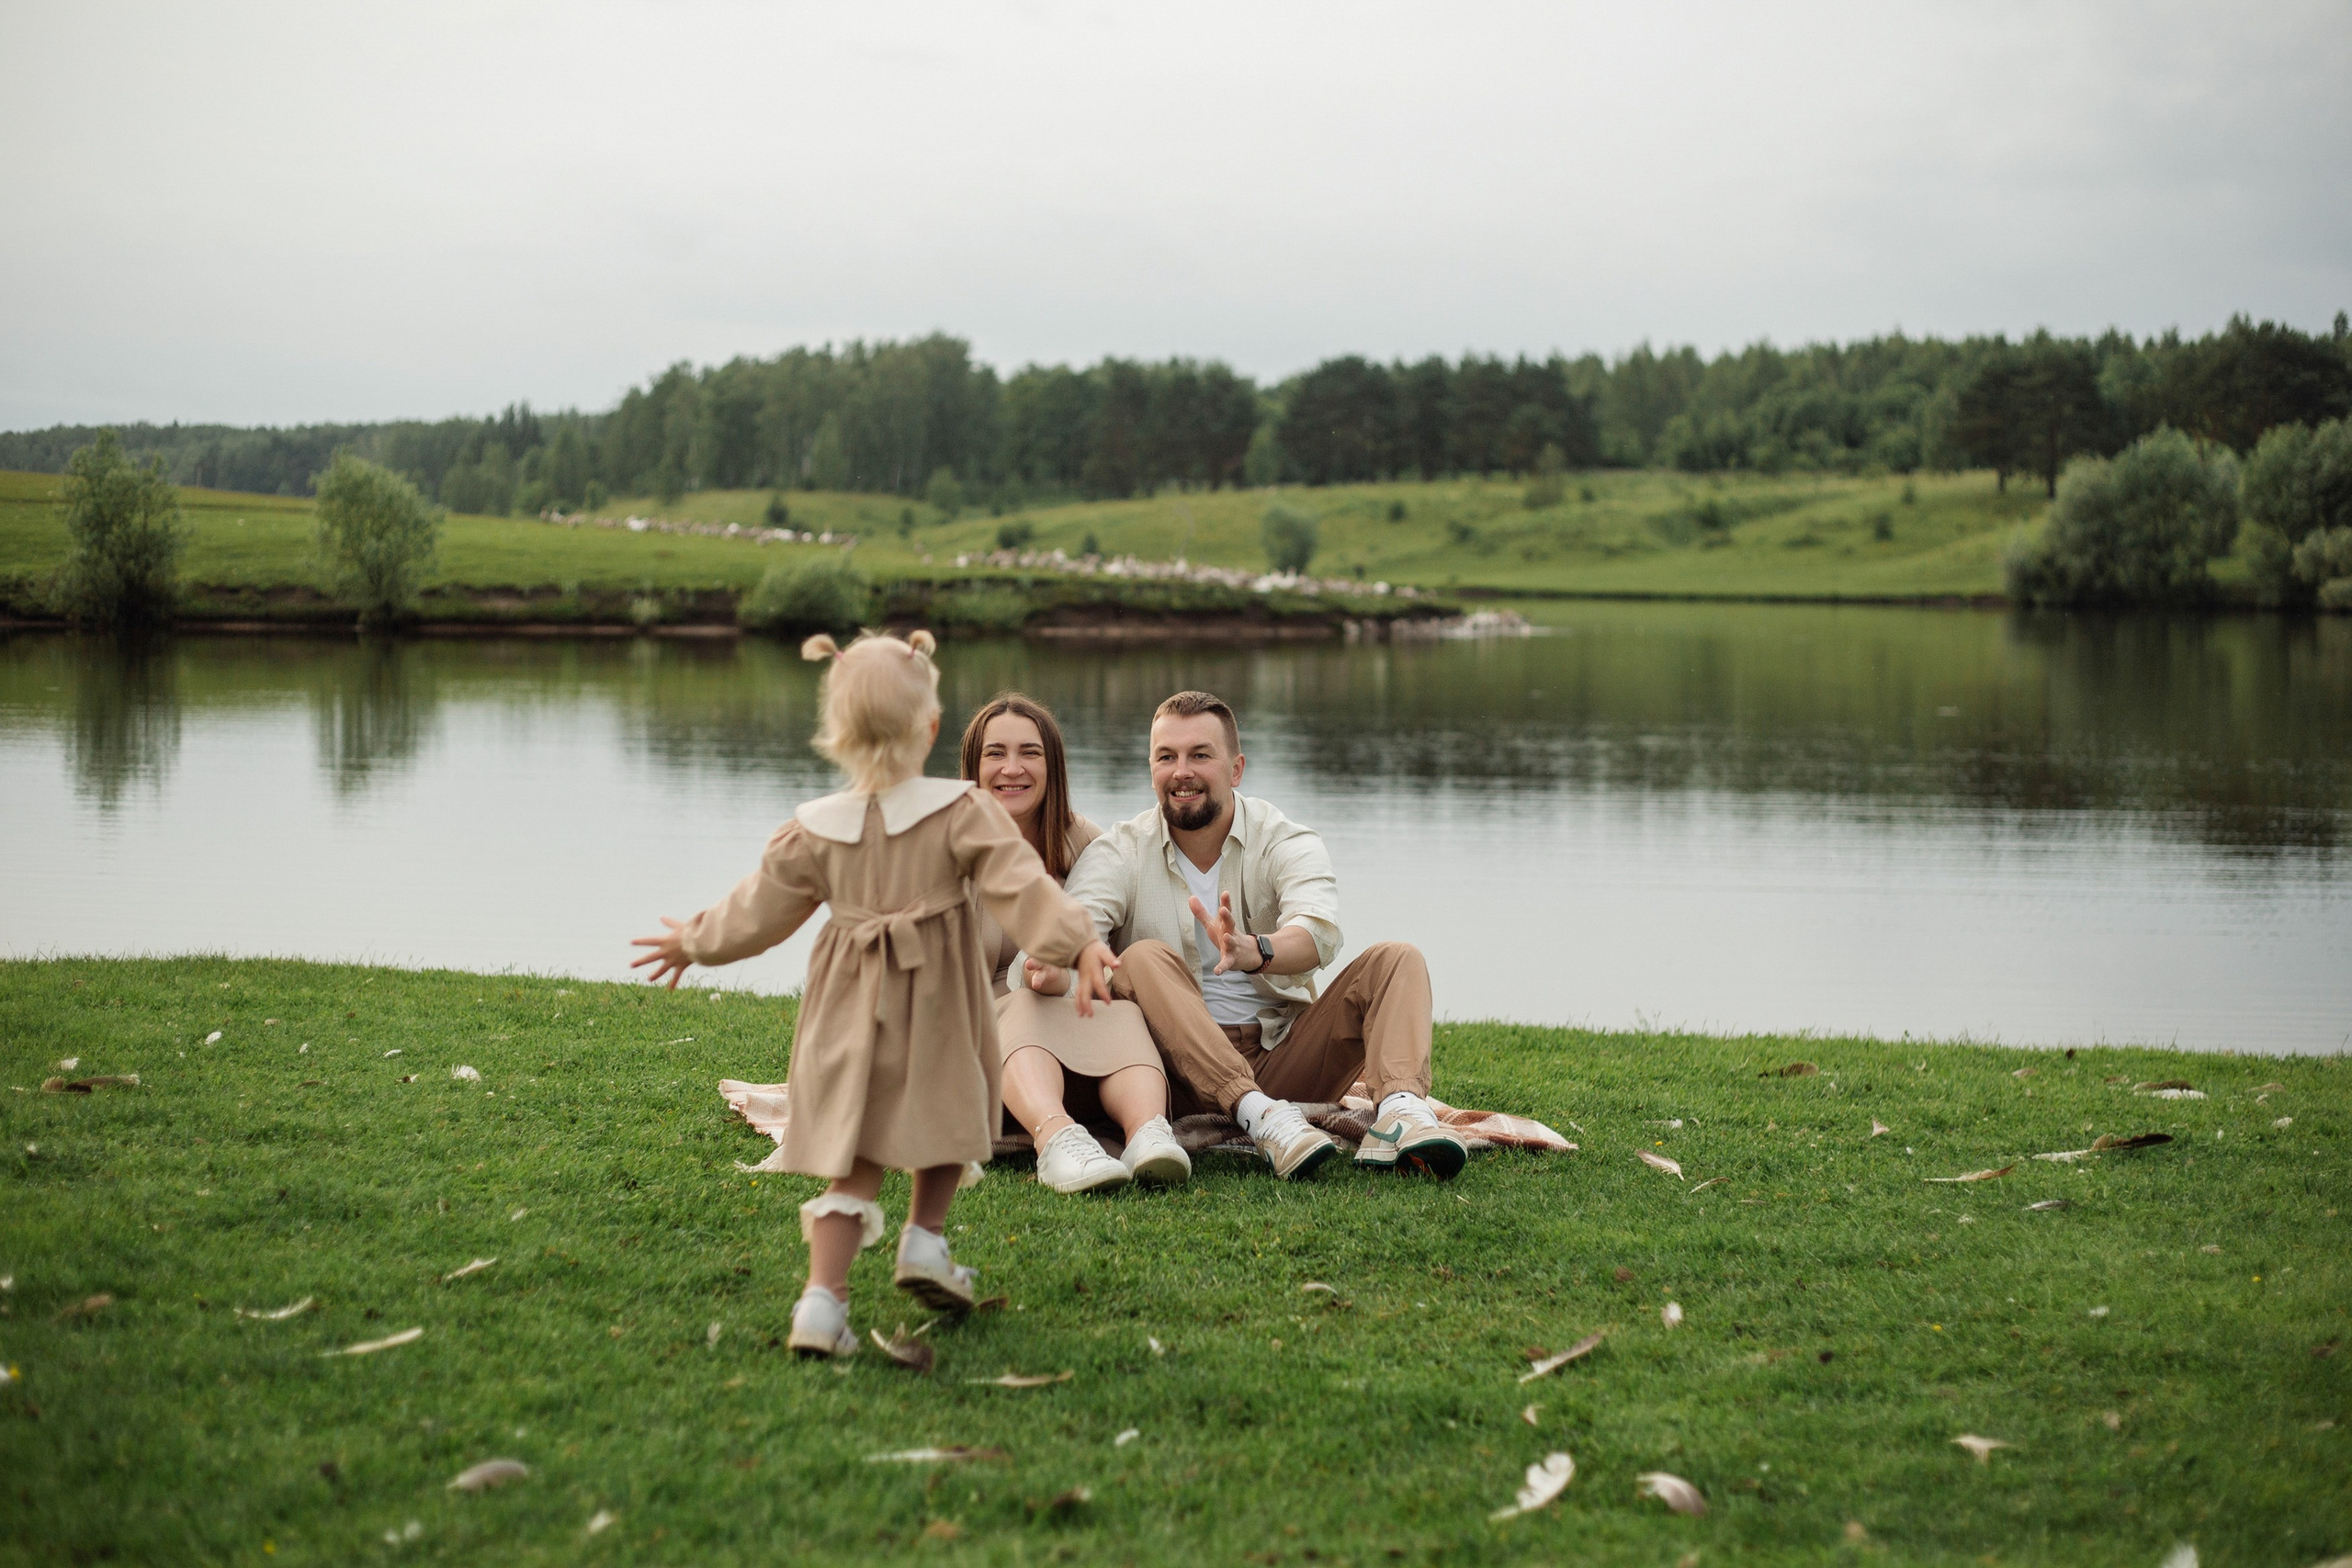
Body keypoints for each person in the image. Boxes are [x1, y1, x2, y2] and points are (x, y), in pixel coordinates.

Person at [628, 630, 1119, 1359]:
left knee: (853, 1157)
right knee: (947, 1119)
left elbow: (756, 914)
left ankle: (822, 1302)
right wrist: (1077, 941)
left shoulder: (814, 827)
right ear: (929, 727)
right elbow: (1022, 888)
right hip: (940, 1005)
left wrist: (694, 941)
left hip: (848, 1011)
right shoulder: (963, 812)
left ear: (835, 733)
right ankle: (924, 1240)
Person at [1034, 689, 1467, 1181]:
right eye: (1166, 757)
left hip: (1281, 1055)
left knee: (1397, 958)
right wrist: (1055, 964)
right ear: (1150, 767)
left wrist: (1254, 950)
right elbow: (1078, 932)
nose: (1182, 772)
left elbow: (1318, 933)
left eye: (1200, 755)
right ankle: (1260, 1116)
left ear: (1236, 768)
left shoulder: (1284, 838)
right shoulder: (1120, 851)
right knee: (1140, 958)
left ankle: (1401, 1114)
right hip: (1170, 1070)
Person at [959, 693, 1191, 1195]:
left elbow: (1106, 955)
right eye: (995, 753)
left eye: (1030, 753)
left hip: (1062, 1048)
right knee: (1021, 1004)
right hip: (964, 1050)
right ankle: (1055, 1140)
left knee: (1122, 1012)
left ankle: (1147, 1135)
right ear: (973, 766)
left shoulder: (1083, 841)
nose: (1012, 769)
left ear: (1053, 764)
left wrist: (1065, 976)